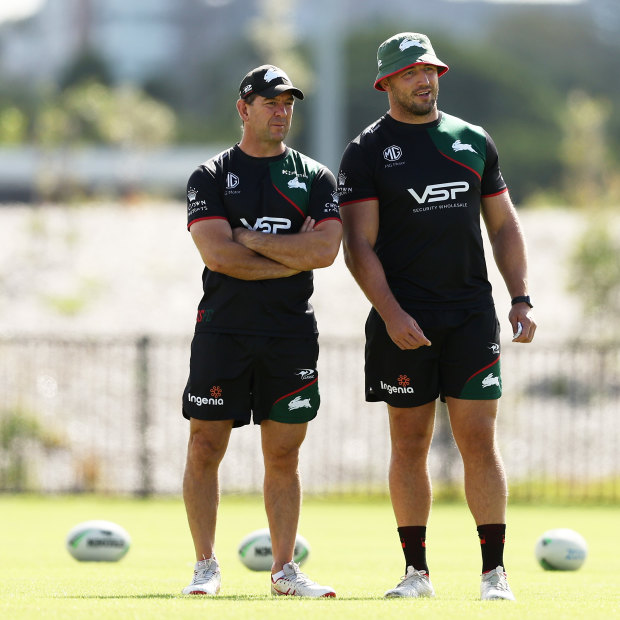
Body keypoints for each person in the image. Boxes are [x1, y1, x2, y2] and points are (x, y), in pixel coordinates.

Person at [337, 32, 536, 601]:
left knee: (479, 438)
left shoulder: (472, 140)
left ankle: (494, 574)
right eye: (409, 73)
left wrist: (519, 296)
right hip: (404, 320)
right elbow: (359, 248)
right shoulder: (367, 152)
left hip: (471, 315)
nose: (424, 80)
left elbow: (503, 225)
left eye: (429, 70)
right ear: (387, 83)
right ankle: (416, 574)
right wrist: (392, 314)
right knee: (409, 443)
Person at [181, 64, 341, 598]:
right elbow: (219, 256)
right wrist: (288, 255)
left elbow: (325, 251)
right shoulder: (209, 175)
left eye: (288, 102)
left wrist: (248, 237)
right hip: (223, 330)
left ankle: (283, 571)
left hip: (290, 333)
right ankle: (205, 566)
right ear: (243, 108)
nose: (281, 111)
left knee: (284, 456)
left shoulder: (316, 178)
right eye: (270, 102)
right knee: (205, 445)